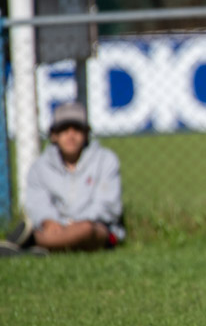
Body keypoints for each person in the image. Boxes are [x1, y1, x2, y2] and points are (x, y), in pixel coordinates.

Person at [1, 101, 124, 255]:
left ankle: (31, 245)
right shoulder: (40, 167)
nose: (71, 135)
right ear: (54, 135)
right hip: (53, 228)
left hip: (95, 227)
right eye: (64, 129)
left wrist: (74, 223)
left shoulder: (106, 160)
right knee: (50, 229)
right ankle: (44, 246)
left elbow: (108, 206)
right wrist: (50, 221)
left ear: (86, 134)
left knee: (85, 230)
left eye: (77, 129)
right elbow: (37, 204)